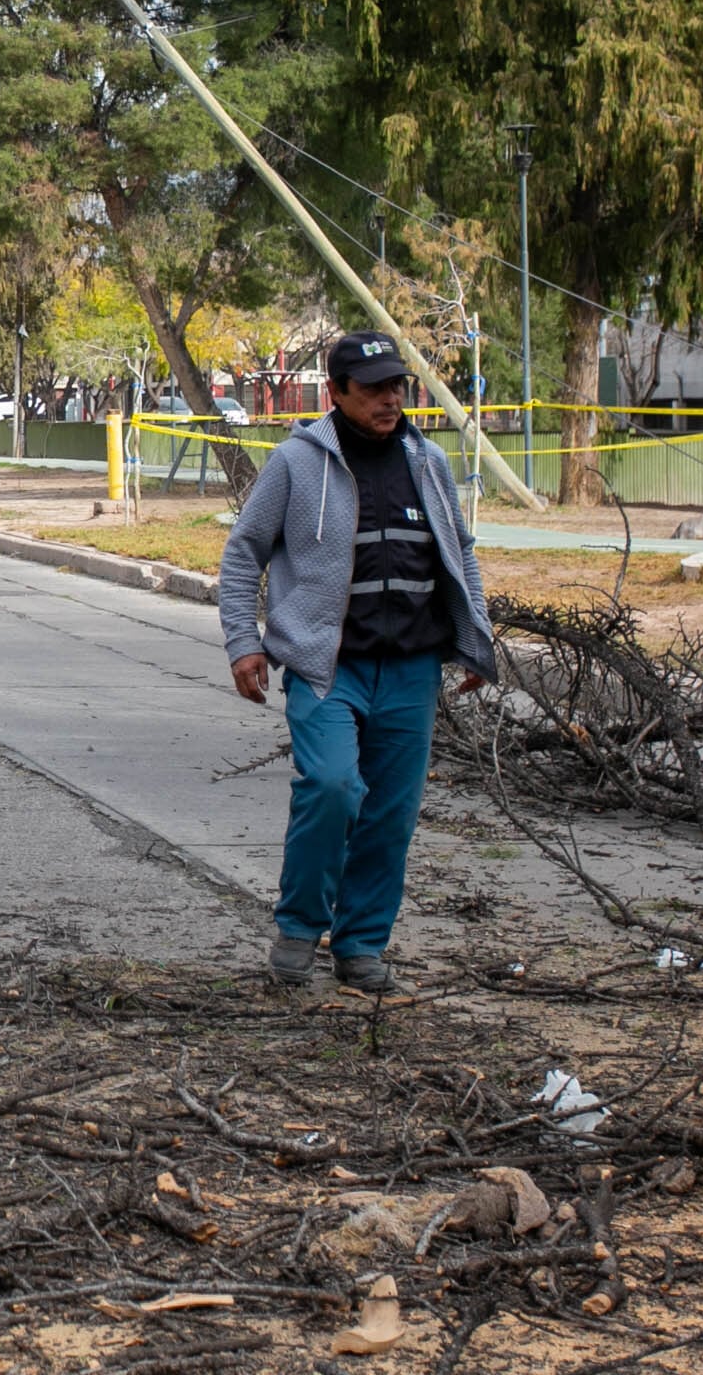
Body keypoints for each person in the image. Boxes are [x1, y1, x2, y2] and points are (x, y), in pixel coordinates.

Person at [215, 331, 494, 994]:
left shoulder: (426, 462)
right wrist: (243, 641)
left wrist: (475, 635)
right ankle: (299, 926)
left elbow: (461, 553)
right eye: (372, 388)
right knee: (334, 787)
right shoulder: (296, 462)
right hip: (326, 669)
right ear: (336, 392)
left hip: (411, 670)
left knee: (391, 813)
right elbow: (242, 554)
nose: (389, 399)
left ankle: (362, 945)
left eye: (397, 386)